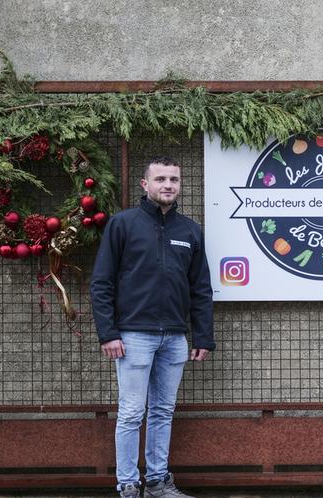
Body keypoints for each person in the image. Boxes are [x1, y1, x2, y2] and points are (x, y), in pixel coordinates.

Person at [91, 156, 215, 498]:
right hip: (133, 337)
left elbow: (200, 287)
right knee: (132, 412)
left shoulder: (189, 230)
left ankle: (159, 482)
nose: (168, 185)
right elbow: (102, 283)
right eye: (160, 179)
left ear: (180, 185)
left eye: (174, 179)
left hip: (175, 337)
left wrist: (202, 334)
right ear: (145, 185)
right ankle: (128, 485)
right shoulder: (123, 224)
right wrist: (109, 333)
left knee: (163, 411)